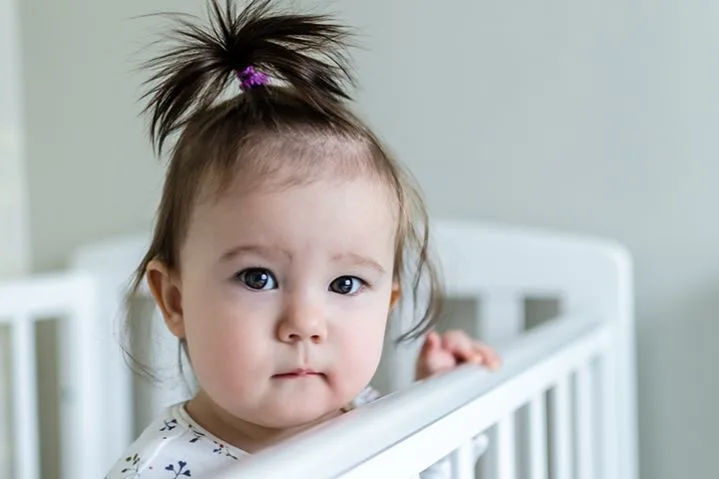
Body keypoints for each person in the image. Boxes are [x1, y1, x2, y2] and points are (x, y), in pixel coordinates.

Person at [106, 1, 500, 477]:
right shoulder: (162, 470)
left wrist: (437, 402)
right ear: (175, 300)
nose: (305, 324)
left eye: (346, 285)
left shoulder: (376, 419)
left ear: (388, 303)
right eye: (258, 278)